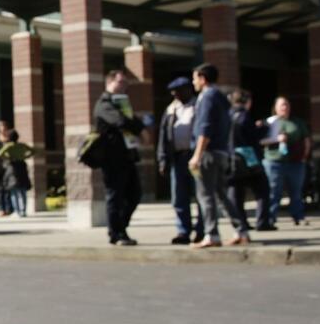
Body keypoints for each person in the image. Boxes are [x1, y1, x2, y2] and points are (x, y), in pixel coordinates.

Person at [188, 63, 250, 248]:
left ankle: (211, 234)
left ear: (202, 78)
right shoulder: (221, 98)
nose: (193, 82)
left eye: (195, 78)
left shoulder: (207, 97)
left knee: (205, 195)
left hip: (208, 152)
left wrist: (197, 155)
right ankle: (241, 231)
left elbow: (204, 128)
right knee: (221, 194)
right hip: (221, 152)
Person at [93, 67, 149, 246]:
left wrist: (139, 127)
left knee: (134, 194)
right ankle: (116, 233)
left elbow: (131, 118)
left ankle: (121, 227)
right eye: (121, 82)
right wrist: (140, 129)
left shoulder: (123, 103)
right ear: (110, 82)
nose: (124, 85)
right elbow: (120, 121)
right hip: (112, 157)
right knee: (115, 195)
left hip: (128, 156)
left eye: (126, 82)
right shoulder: (104, 103)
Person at [155, 76, 205, 245]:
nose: (175, 96)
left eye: (178, 92)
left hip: (195, 158)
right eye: (173, 93)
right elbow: (163, 136)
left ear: (187, 90)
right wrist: (162, 159)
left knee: (200, 195)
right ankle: (183, 231)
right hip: (177, 158)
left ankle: (201, 230)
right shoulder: (171, 110)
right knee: (179, 197)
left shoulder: (198, 106)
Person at [262, 96, 312, 228]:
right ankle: (270, 218)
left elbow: (306, 139)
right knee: (274, 192)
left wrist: (304, 156)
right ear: (276, 108)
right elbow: (260, 141)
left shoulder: (297, 122)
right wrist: (276, 139)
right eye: (282, 105)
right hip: (274, 161)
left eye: (287, 105)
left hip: (295, 161)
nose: (285, 107)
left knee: (296, 192)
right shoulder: (269, 123)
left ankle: (298, 216)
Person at [230, 89, 273, 232]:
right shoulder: (244, 116)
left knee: (237, 193)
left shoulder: (227, 115)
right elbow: (253, 137)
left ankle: (241, 223)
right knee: (262, 190)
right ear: (247, 102)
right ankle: (262, 222)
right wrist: (264, 128)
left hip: (231, 159)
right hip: (249, 159)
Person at [0, 129, 34, 217]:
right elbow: (33, 151)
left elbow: (0, 153)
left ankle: (17, 211)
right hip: (22, 166)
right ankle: (23, 210)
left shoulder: (9, 146)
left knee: (14, 191)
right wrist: (25, 156)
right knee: (23, 191)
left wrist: (9, 157)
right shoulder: (22, 146)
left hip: (13, 168)